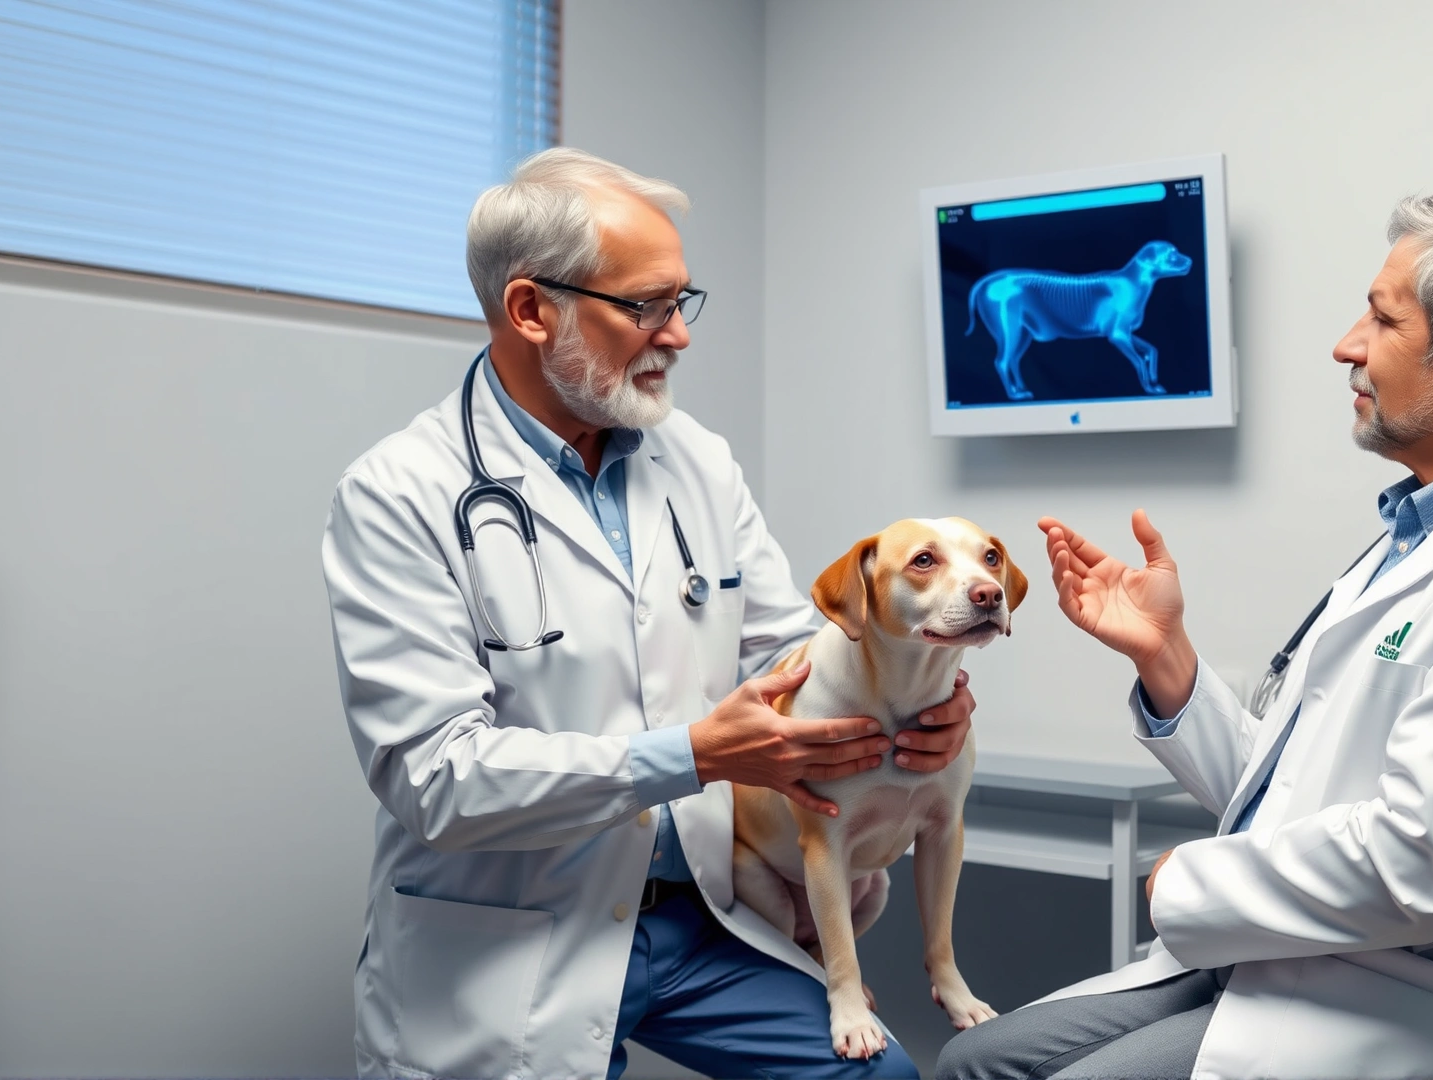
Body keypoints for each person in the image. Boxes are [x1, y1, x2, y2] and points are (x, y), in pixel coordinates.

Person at [937, 191, 1433, 1080]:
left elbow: (1418, 865)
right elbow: (1298, 794)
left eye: (1383, 318)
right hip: (1303, 954)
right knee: (975, 1059)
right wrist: (1164, 656)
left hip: (1421, 1000)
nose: (1347, 345)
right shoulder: (1420, 535)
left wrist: (1185, 880)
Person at [323, 147, 974, 1080]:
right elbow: (435, 777)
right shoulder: (399, 493)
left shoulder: (695, 459)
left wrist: (922, 694)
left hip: (705, 914)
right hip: (519, 936)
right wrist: (693, 756)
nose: (678, 335)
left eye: (682, 300)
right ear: (531, 310)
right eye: (646, 306)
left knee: (876, 1075)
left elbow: (792, 653)